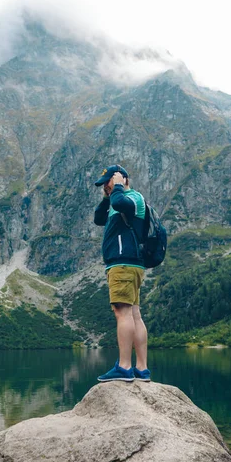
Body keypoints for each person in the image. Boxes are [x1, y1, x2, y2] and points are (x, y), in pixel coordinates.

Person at [94, 164, 150, 382]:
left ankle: (125, 367)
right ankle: (142, 369)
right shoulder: (116, 201)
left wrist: (118, 187)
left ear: (123, 179)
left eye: (109, 181)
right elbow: (98, 218)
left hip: (123, 264)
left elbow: (119, 201)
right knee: (134, 314)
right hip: (128, 264)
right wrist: (108, 194)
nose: (106, 186)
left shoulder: (133, 198)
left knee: (122, 313)